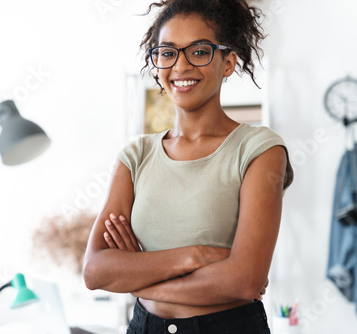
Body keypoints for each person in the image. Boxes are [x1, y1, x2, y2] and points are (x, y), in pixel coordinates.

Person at [83, 0, 294, 333]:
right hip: (143, 327)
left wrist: (135, 275)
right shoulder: (135, 156)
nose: (180, 66)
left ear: (228, 63)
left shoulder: (259, 149)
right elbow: (96, 271)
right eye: (167, 53)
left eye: (198, 51)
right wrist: (195, 256)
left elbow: (244, 282)